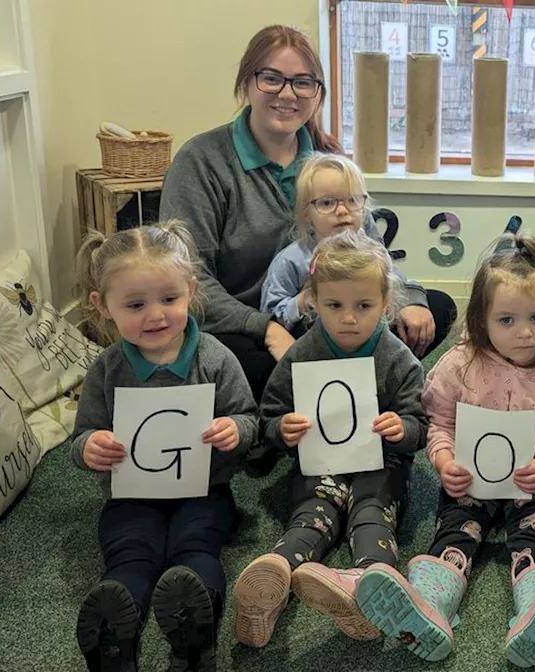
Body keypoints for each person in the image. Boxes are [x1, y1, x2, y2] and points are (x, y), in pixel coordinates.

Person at [159, 24, 455, 401]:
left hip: (335, 312)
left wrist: (411, 299)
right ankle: (334, 392)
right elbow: (190, 279)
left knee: (435, 309)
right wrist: (265, 327)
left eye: (303, 83)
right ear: (246, 83)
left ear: (318, 94)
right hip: (245, 326)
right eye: (272, 79)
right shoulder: (201, 161)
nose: (287, 94)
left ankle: (335, 390)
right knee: (234, 361)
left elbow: (372, 251)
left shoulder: (330, 161)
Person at [355, 233, 535, 668]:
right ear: (481, 319)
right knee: (456, 530)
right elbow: (439, 423)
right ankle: (430, 606)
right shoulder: (458, 366)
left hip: (531, 480)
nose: (525, 333)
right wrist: (445, 461)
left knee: (533, 535)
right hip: (470, 476)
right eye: (506, 320)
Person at [70, 222, 258, 672]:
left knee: (196, 549)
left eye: (169, 299)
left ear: (191, 291)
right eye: (135, 304)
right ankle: (117, 630)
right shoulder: (107, 369)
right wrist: (90, 447)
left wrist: (235, 429)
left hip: (205, 491)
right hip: (131, 495)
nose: (155, 315)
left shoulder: (214, 357)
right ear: (103, 306)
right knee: (129, 548)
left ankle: (196, 630)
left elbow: (250, 419)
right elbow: (82, 435)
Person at [230, 229, 428, 648]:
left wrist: (402, 429)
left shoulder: (398, 359)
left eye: (364, 306)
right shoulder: (302, 353)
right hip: (318, 462)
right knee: (311, 514)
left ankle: (366, 586)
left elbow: (421, 426)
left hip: (381, 463)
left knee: (374, 514)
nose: (349, 318)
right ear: (314, 303)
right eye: (334, 305)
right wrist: (282, 430)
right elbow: (269, 418)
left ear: (386, 305)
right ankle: (275, 578)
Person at [260, 153, 433, 341]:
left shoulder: (375, 252)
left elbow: (393, 291)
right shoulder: (292, 260)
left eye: (352, 200)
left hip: (369, 335)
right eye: (327, 203)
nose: (343, 211)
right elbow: (271, 315)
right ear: (306, 212)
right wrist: (303, 301)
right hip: (316, 343)